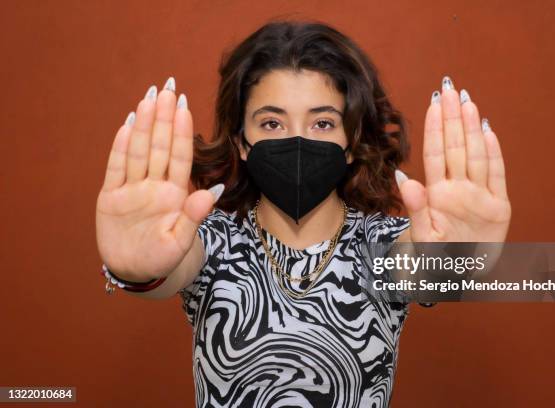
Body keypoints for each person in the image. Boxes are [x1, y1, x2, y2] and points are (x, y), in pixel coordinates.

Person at [95, 20, 511, 408]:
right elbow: (171, 267)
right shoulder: (212, 242)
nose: (297, 140)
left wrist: (459, 259)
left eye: (323, 123)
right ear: (242, 142)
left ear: (350, 142)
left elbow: (422, 265)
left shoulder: (381, 246)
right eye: (272, 123)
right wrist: (138, 270)